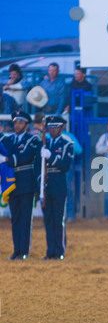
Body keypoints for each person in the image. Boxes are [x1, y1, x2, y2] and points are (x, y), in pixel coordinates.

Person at [0, 111, 40, 260]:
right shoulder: (8, 140)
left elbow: (25, 157)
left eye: (20, 122)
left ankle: (24, 250)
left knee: (25, 218)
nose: (17, 125)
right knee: (15, 218)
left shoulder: (32, 139)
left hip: (26, 182)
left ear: (26, 124)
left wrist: (6, 159)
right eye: (15, 122)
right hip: (11, 183)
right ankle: (16, 249)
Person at [40, 115, 74, 260]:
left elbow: (65, 165)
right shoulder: (44, 143)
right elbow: (38, 166)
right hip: (46, 184)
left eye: (55, 127)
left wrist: (51, 157)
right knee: (48, 219)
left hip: (59, 184)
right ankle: (50, 251)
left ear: (61, 128)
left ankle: (59, 251)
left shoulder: (67, 144)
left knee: (58, 219)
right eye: (50, 127)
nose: (52, 130)